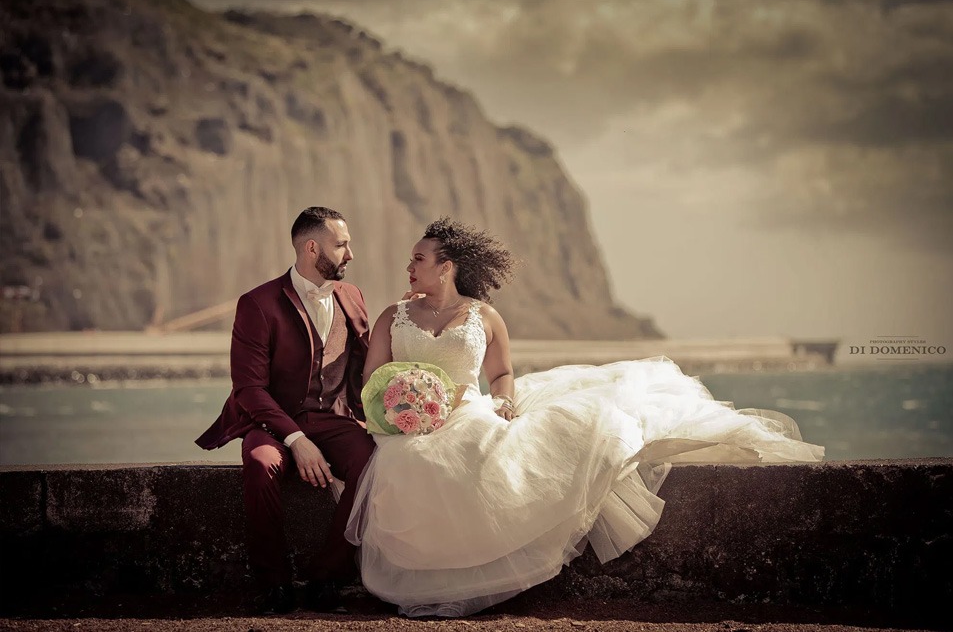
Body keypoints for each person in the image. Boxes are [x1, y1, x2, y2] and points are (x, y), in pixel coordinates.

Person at [345, 217, 825, 617]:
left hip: (470, 409)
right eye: (411, 259)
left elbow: (503, 373)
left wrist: (505, 400)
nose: (409, 266)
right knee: (413, 466)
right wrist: (405, 407)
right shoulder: (393, 316)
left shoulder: (484, 316)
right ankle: (435, 576)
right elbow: (373, 380)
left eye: (419, 259)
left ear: (445, 267)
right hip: (410, 421)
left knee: (499, 451)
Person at [196, 206, 375, 615]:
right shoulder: (257, 303)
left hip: (333, 418)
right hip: (272, 423)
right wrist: (296, 439)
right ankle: (272, 583)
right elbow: (248, 388)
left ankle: (327, 576)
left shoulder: (352, 295)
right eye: (342, 244)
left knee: (374, 462)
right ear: (312, 248)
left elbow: (367, 367)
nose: (350, 254)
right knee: (260, 465)